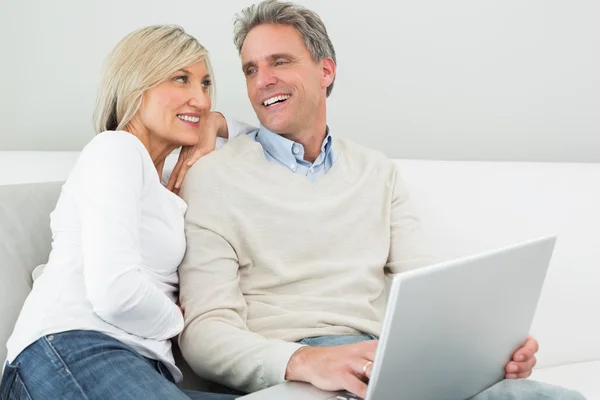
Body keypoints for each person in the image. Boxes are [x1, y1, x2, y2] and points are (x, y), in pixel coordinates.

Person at [176, 1, 586, 399]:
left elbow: (430, 292)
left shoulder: (377, 171)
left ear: (325, 70)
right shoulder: (213, 177)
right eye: (251, 69)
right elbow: (205, 332)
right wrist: (306, 361)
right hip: (295, 371)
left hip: (384, 362)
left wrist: (488, 351)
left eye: (279, 62)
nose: (262, 80)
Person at [0, 25, 243, 400]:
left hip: (138, 367)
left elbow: (275, 138)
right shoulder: (115, 149)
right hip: (74, 350)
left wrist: (216, 124)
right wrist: (180, 319)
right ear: (136, 85)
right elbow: (116, 292)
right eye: (181, 79)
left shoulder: (167, 178)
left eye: (206, 84)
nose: (200, 99)